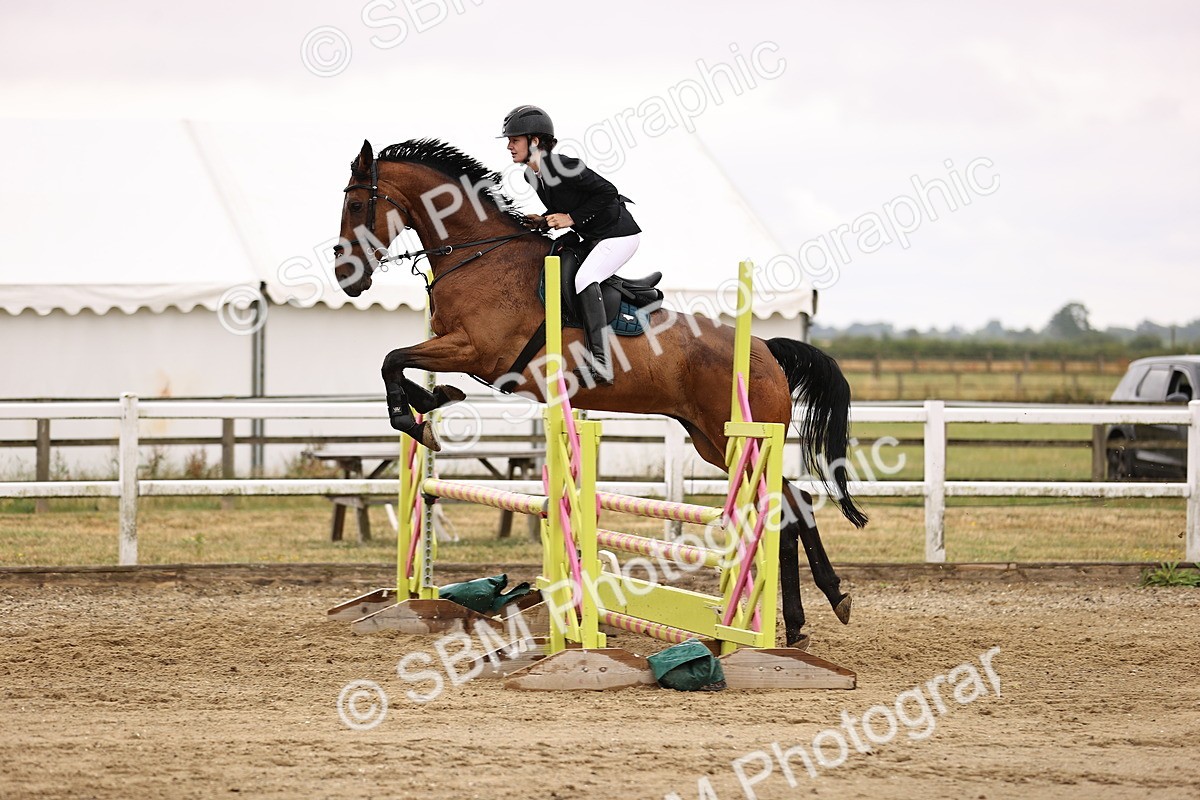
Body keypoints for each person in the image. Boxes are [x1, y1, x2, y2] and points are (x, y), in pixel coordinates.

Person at [500, 104, 641, 386]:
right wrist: (543, 220)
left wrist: (571, 218)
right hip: (594, 236)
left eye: (514, 140)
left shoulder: (563, 165)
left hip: (618, 234)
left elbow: (608, 191)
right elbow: (565, 206)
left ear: (535, 141)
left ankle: (602, 364)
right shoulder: (531, 175)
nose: (509, 146)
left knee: (585, 278)